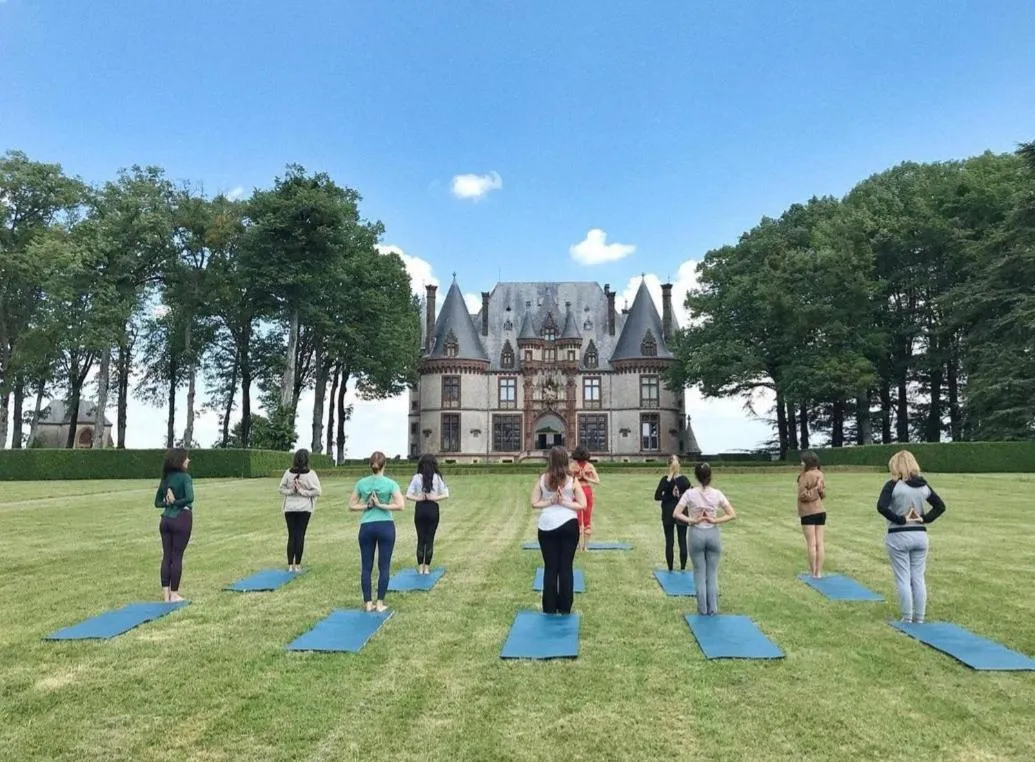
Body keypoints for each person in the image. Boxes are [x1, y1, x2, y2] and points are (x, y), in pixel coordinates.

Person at [876, 450, 946, 624]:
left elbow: (881, 507)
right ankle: (920, 617)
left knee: (903, 577)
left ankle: (907, 617)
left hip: (898, 536)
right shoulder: (923, 486)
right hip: (920, 535)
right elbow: (940, 506)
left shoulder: (892, 485)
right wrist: (924, 518)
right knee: (918, 577)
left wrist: (900, 519)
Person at [673, 462, 736, 615]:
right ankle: (713, 609)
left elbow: (676, 513)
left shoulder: (690, 493)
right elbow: (732, 514)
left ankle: (702, 609)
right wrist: (715, 521)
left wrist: (692, 520)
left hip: (696, 534)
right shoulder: (717, 493)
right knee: (712, 574)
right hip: (713, 534)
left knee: (699, 573)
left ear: (696, 476)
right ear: (710, 476)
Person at [531, 446, 587, 614]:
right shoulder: (572, 480)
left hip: (546, 526)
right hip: (569, 524)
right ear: (565, 460)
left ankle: (549, 607)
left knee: (550, 567)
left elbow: (534, 503)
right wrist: (565, 502)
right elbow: (582, 504)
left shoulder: (543, 479)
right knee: (565, 567)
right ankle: (564, 607)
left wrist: (552, 502)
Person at [348, 451, 405, 612]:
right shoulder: (390, 483)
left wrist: (368, 506)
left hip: (367, 527)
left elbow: (352, 505)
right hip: (386, 526)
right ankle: (379, 604)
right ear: (384, 465)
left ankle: (368, 603)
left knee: (366, 566)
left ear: (370, 465)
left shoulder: (362, 483)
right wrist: (382, 505)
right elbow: (400, 505)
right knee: (384, 566)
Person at [153, 448, 194, 603]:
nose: (188, 460)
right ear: (180, 461)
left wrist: (167, 502)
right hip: (181, 519)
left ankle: (166, 595)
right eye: (186, 458)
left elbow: (157, 503)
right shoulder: (185, 478)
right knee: (177, 557)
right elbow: (190, 498)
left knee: (167, 556)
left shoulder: (165, 479)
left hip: (165, 521)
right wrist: (176, 502)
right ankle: (174, 594)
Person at [278, 448, 322, 573]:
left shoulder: (288, 473)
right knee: (300, 535)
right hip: (304, 509)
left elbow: (281, 489)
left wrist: (292, 491)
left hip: (290, 508)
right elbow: (318, 491)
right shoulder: (311, 474)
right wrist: (302, 492)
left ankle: (290, 566)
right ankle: (297, 565)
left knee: (292, 535)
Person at [404, 454, 449, 575]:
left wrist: (419, 498)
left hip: (420, 508)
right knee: (430, 539)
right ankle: (427, 568)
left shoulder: (416, 477)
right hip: (433, 508)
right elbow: (446, 494)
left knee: (420, 538)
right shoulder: (437, 477)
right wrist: (435, 497)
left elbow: (408, 495)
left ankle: (420, 568)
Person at [654, 455, 692, 572]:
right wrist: (670, 478)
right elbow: (657, 496)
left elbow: (690, 495)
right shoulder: (666, 480)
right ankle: (672, 569)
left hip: (680, 512)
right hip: (669, 512)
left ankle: (682, 568)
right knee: (671, 541)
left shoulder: (684, 480)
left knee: (681, 540)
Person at [797, 451, 827, 578]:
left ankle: (814, 572)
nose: (801, 463)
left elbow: (803, 496)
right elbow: (823, 495)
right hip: (820, 511)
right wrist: (818, 490)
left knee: (812, 544)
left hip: (808, 513)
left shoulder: (805, 476)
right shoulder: (820, 474)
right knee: (819, 543)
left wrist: (814, 490)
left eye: (803, 461)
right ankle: (818, 572)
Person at [569, 445, 600, 552]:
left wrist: (577, 477)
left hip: (576, 491)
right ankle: (585, 547)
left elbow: (568, 479)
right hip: (587, 491)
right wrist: (587, 478)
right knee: (587, 519)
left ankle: (578, 546)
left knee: (576, 519)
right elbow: (597, 481)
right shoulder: (589, 466)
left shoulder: (572, 466)